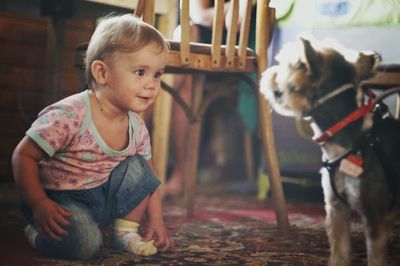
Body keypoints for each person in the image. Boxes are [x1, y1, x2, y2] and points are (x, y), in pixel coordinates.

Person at [11, 14, 173, 260]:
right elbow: (23, 155)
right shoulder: (70, 114)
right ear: (101, 73)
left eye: (157, 74)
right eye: (140, 72)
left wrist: (158, 220)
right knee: (87, 244)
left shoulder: (137, 126)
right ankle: (36, 232)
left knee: (140, 166)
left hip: (103, 200)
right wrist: (39, 203)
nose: (151, 84)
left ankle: (125, 233)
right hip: (62, 202)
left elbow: (148, 180)